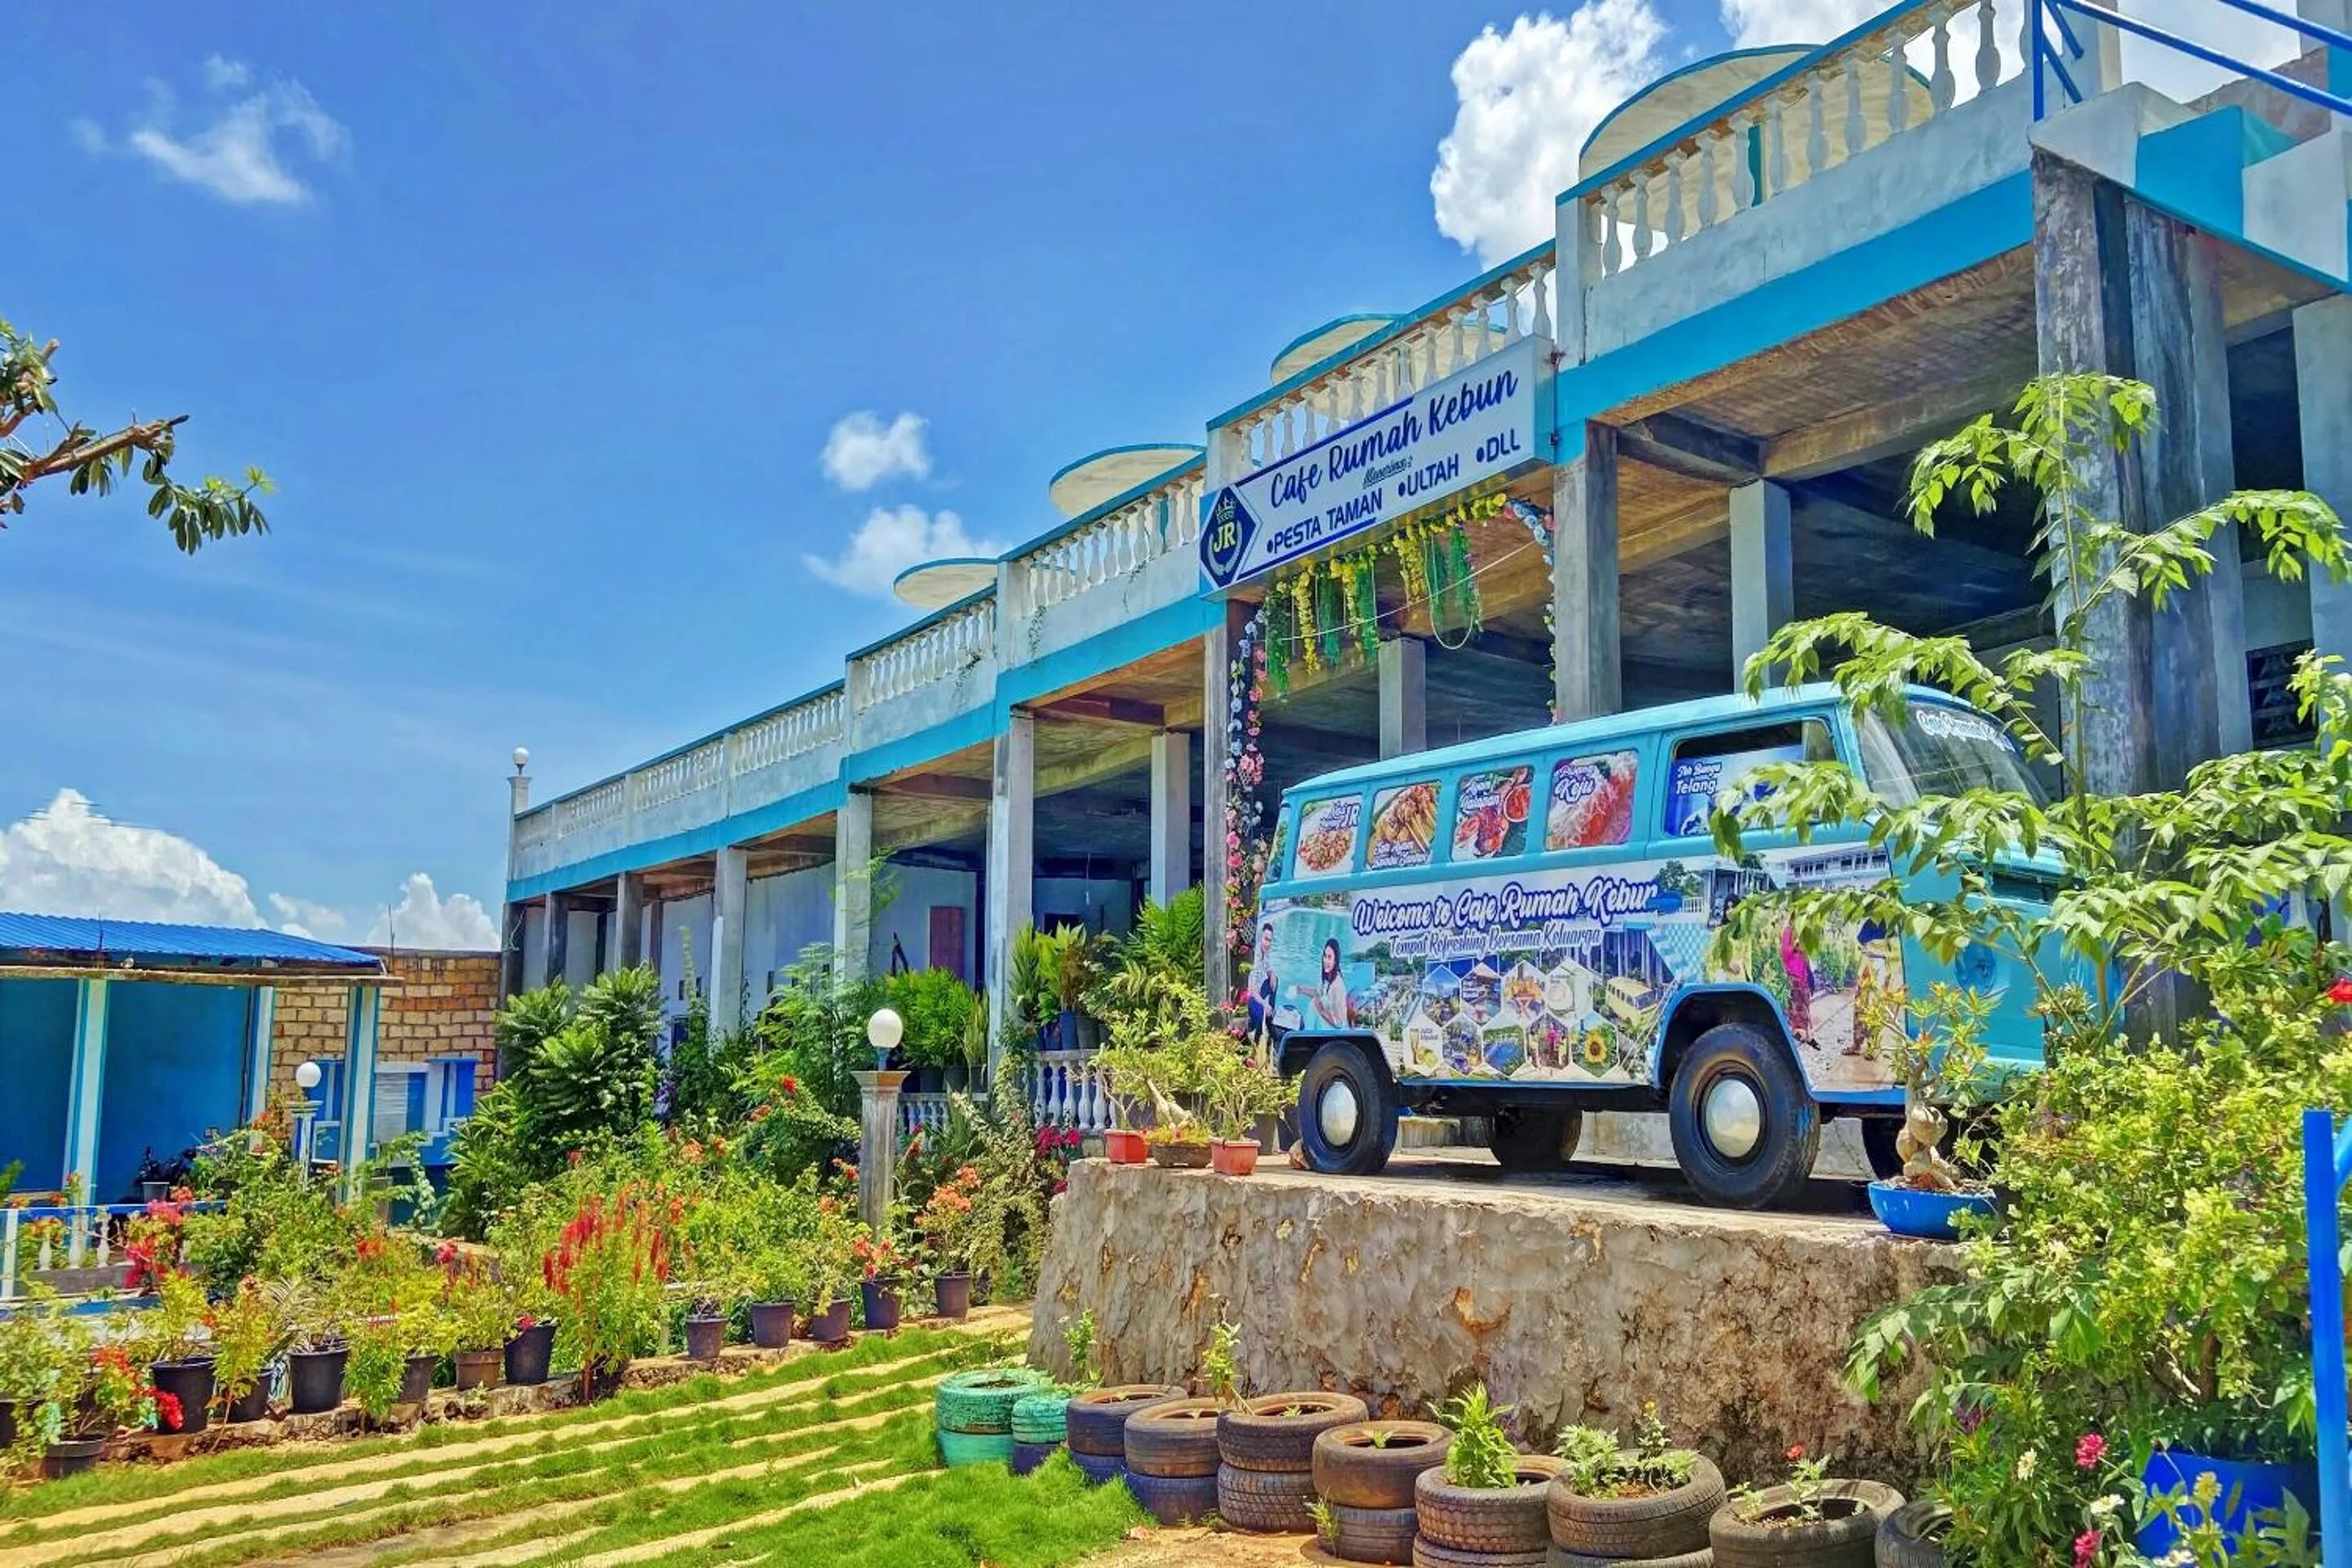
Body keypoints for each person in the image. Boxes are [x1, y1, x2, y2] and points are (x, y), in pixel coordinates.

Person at [1289, 938, 1350, 1028]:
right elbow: (1319, 993)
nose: (1325, 961)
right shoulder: (1327, 978)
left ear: (1335, 961)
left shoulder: (1337, 987)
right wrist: (1300, 989)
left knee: (1314, 1004)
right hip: (1322, 1023)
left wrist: (1321, 1011)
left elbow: (1340, 1023)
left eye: (1329, 957)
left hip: (1332, 1032)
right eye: (1325, 956)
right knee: (1312, 1004)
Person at [1779, 924, 1815, 1045]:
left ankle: (1806, 1033)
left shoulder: (1803, 955)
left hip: (1802, 982)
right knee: (1796, 1009)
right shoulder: (1789, 933)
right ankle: (1800, 1033)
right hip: (1795, 982)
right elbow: (1784, 949)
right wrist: (1795, 945)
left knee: (1803, 1007)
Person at [1245, 922, 1279, 1034]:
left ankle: (1270, 1016)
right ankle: (1255, 1034)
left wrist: (1272, 974)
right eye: (1266, 939)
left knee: (1275, 980)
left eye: (1270, 940)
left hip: (1259, 991)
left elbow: (1267, 966)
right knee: (1259, 1021)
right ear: (1260, 937)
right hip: (1251, 997)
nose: (1268, 944)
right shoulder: (1254, 959)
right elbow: (1252, 991)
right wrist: (1265, 1004)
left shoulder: (1266, 951)